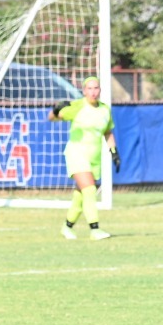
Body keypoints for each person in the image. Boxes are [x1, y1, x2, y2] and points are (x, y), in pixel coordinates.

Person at [50, 76, 117, 240]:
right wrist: (56, 109)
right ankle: (95, 229)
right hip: (76, 153)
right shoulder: (78, 106)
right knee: (89, 190)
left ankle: (67, 227)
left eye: (96, 88)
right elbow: (52, 117)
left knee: (80, 196)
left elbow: (107, 132)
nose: (93, 92)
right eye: (90, 88)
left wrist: (114, 152)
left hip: (93, 157)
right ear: (84, 91)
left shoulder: (104, 110)